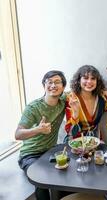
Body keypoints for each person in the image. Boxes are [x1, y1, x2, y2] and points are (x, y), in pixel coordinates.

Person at [15, 70, 67, 200]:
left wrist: (103, 92)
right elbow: (18, 134)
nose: (53, 86)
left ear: (63, 87)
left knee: (67, 172)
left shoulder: (63, 100)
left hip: (50, 152)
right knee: (41, 179)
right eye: (49, 82)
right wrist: (38, 129)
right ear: (44, 85)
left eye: (57, 82)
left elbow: (81, 90)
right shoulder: (33, 108)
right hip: (30, 155)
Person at [65, 65, 107, 141]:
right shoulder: (71, 99)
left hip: (96, 141)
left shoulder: (103, 98)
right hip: (75, 142)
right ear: (79, 80)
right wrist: (75, 114)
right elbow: (70, 132)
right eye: (85, 78)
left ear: (97, 81)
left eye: (93, 78)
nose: (89, 81)